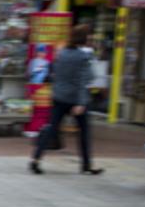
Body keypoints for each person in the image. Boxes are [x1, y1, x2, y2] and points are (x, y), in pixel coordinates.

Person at [29, 24, 104, 176]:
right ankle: (86, 165)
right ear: (83, 38)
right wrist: (81, 103)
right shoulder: (84, 56)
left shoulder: (61, 54)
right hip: (76, 99)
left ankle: (36, 159)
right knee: (84, 132)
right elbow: (87, 78)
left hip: (58, 97)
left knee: (51, 128)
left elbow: (55, 74)